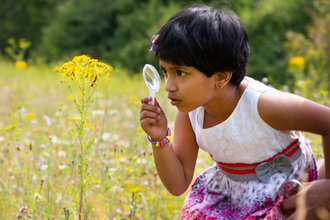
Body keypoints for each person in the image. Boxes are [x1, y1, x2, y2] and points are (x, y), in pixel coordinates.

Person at [139, 4, 330, 219]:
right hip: (233, 200)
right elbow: (178, 183)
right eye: (165, 71)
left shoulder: (264, 105)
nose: (168, 86)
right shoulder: (191, 113)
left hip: (287, 194)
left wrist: (328, 188)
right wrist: (159, 139)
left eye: (180, 72)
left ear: (221, 77)